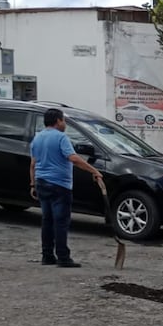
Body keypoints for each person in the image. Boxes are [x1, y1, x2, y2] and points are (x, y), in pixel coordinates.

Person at [29, 108, 104, 267]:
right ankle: (63, 257)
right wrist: (94, 171)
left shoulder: (37, 138)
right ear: (57, 121)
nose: (64, 124)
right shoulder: (61, 137)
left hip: (42, 182)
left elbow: (33, 164)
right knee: (60, 221)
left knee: (47, 220)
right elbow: (73, 158)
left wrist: (33, 184)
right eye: (63, 120)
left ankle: (47, 255)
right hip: (59, 185)